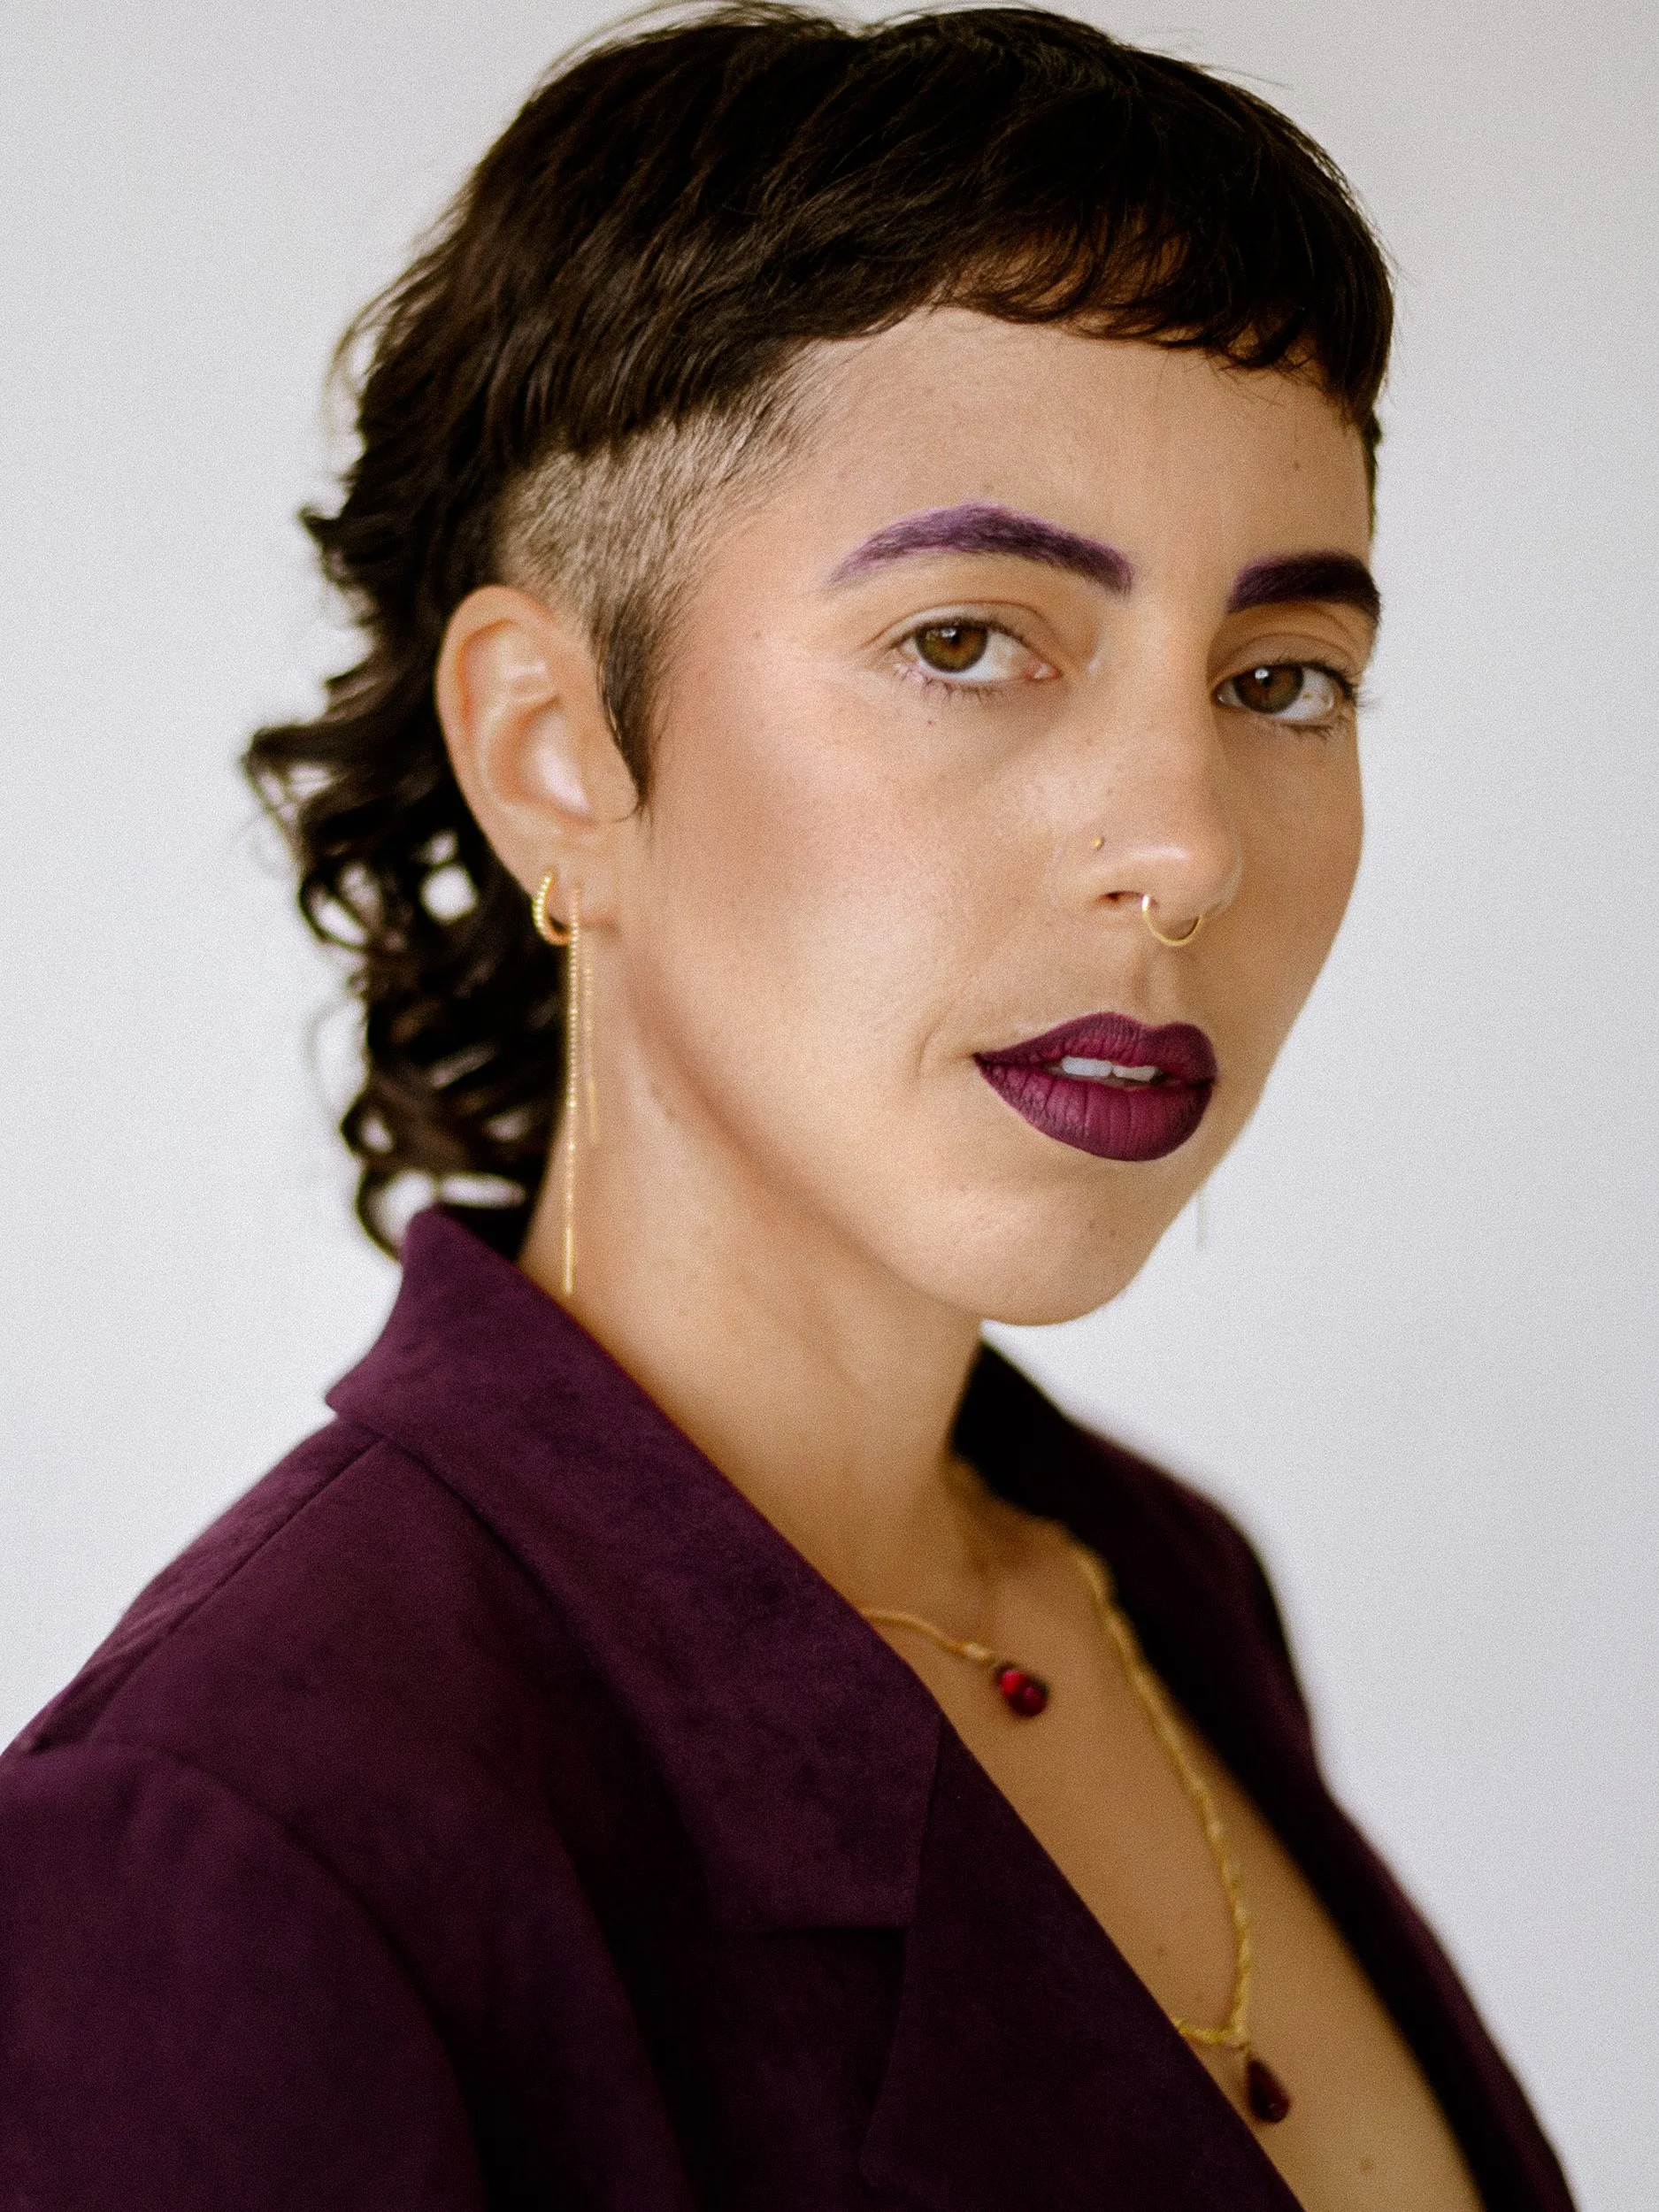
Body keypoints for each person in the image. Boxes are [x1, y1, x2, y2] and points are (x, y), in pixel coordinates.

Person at [0, 8, 1575, 2208]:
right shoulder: (238, 1839)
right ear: (557, 745)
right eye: (967, 639)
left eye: (1277, 677)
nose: (1189, 842)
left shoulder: (1154, 1579)